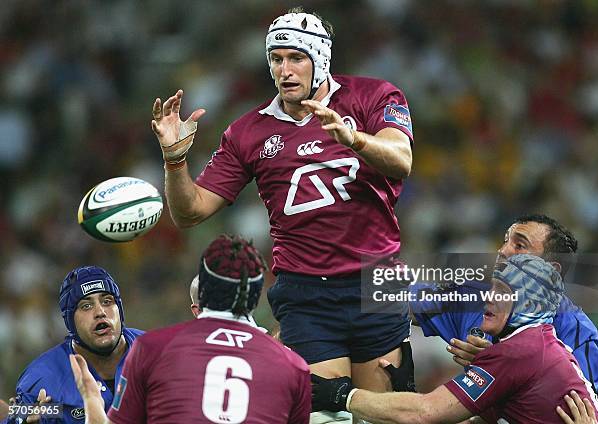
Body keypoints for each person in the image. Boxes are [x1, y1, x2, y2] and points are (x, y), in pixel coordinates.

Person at [150, 5, 414, 407]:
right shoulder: (247, 131)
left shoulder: (374, 96)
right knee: (324, 414)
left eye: (296, 58)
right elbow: (191, 212)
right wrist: (174, 160)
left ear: (320, 60)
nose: (284, 70)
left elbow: (402, 159)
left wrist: (353, 139)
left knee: (386, 412)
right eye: (276, 59)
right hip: (305, 291)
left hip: (377, 279)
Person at [312, 254, 598, 423]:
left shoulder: (521, 352)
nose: (489, 298)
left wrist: (341, 395)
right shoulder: (534, 345)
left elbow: (424, 413)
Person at [70, 234, 311, 423]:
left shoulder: (151, 348)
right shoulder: (294, 366)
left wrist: (92, 400)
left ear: (201, 292)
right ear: (257, 298)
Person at [409, 214, 598, 406]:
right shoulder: (474, 299)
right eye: (505, 241)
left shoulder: (579, 334)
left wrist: (500, 366)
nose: (502, 251)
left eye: (519, 245)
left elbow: (581, 414)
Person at [6, 266, 143, 423]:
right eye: (86, 306)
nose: (100, 312)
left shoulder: (156, 354)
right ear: (70, 321)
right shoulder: (43, 381)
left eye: (107, 301)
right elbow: (16, 416)